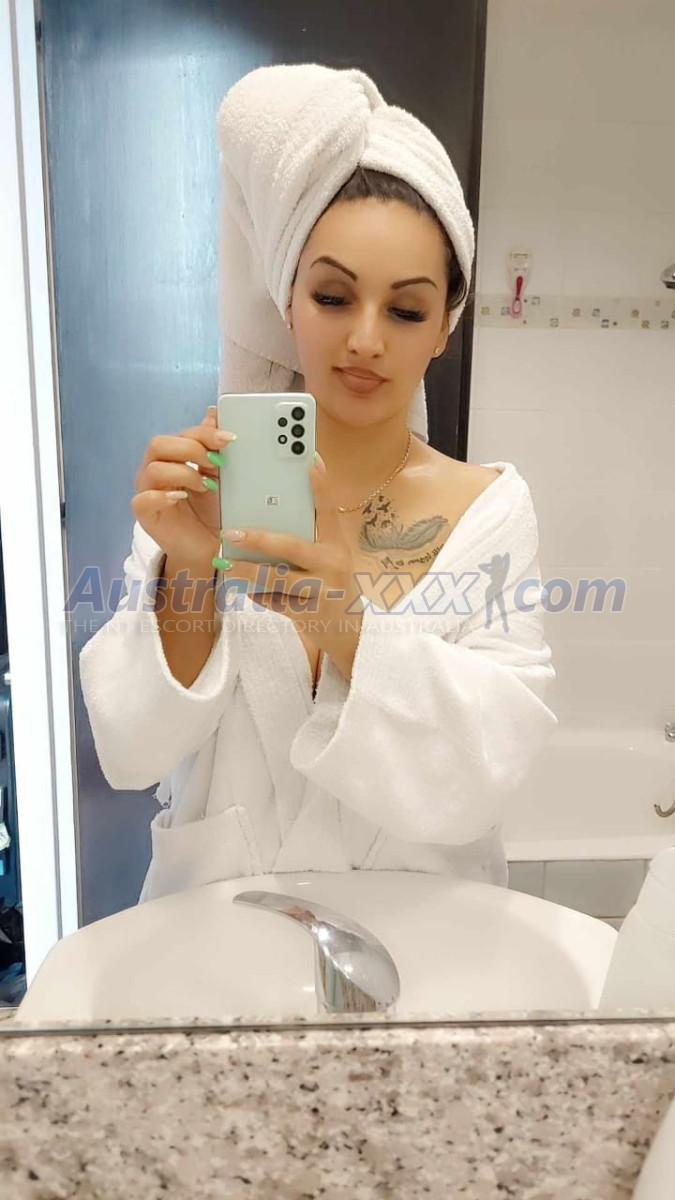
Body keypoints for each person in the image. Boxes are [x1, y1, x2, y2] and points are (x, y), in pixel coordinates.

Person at [79, 92, 558, 906]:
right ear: (288, 299)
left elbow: (488, 767)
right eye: (333, 297)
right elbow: (132, 752)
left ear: (444, 326)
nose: (365, 339)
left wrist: (347, 622)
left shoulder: (489, 513)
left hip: (429, 934)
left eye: (405, 309)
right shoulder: (209, 492)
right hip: (220, 927)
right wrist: (188, 570)